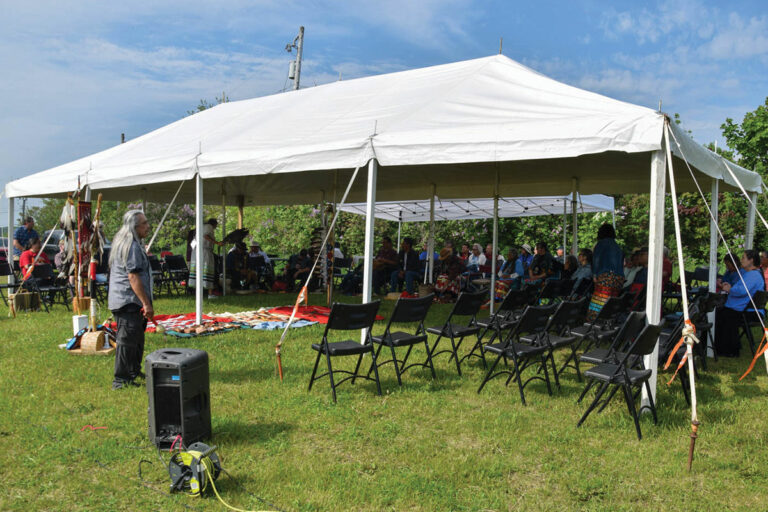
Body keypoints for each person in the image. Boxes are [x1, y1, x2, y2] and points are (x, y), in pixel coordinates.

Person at [108, 210, 153, 390]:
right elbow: (133, 277)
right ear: (134, 227)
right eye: (144, 223)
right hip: (127, 301)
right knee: (127, 341)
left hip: (132, 301)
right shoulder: (130, 245)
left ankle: (133, 371)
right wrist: (146, 303)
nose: (148, 226)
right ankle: (121, 380)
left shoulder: (133, 243)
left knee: (137, 338)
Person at [715, 250, 765, 357]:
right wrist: (730, 287)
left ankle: (728, 350)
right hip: (747, 309)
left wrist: (730, 289)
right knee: (721, 313)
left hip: (749, 312)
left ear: (751, 260)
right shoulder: (751, 274)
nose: (741, 260)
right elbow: (740, 288)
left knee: (721, 315)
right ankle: (724, 347)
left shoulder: (753, 275)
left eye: (743, 258)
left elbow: (742, 291)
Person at [589, 223, 624, 320]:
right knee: (611, 303)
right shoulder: (617, 246)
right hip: (619, 278)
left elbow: (596, 260)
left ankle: (594, 321)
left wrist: (595, 274)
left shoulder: (601, 244)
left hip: (606, 277)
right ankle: (609, 321)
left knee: (598, 303)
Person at [189, 218, 223, 297]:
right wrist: (217, 243)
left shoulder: (202, 227)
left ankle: (198, 293)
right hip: (204, 251)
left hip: (196, 251)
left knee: (199, 271)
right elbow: (205, 236)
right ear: (214, 224)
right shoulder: (209, 227)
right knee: (206, 270)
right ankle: (210, 294)